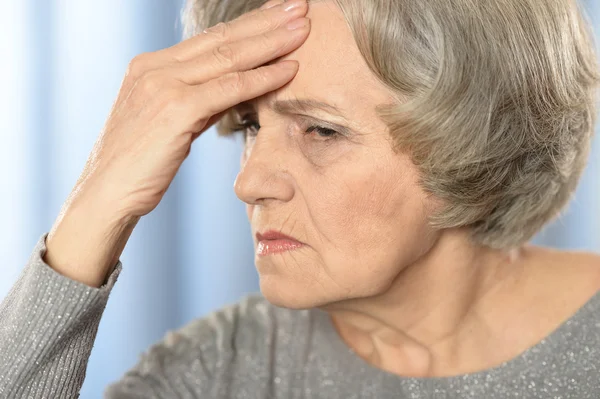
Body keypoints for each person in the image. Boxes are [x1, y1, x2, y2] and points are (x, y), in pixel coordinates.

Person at [1, 0, 599, 397]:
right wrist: (94, 210)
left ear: (480, 141)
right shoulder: (220, 372)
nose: (249, 182)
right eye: (253, 127)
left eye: (321, 130)